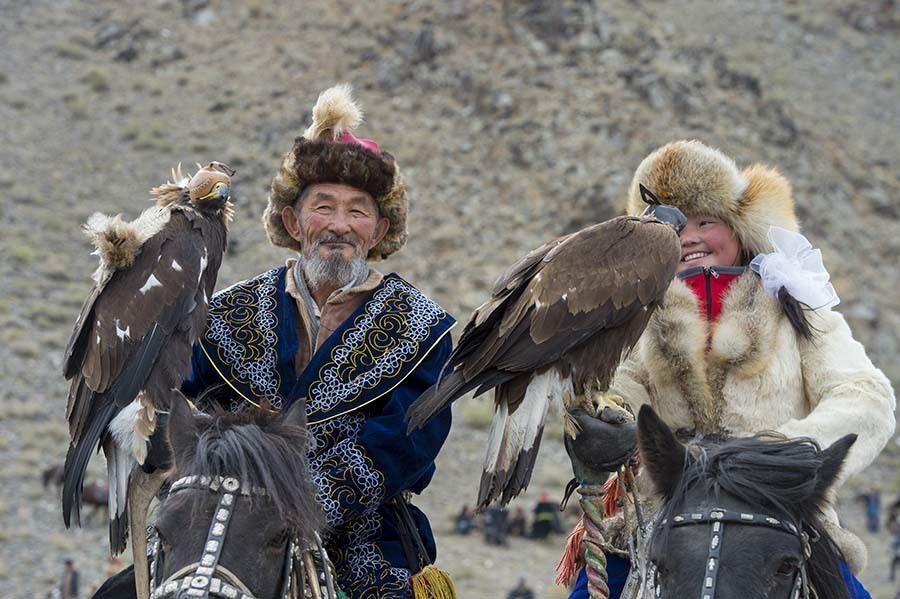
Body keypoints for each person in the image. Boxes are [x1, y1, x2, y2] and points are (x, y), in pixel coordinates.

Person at [94, 85, 456, 599]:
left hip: (360, 540)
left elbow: (408, 443)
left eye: (357, 211)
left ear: (378, 231)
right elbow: (180, 405)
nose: (339, 225)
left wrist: (295, 499)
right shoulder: (224, 311)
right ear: (292, 221)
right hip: (221, 523)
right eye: (323, 206)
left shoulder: (422, 327)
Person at [565, 140, 896, 599]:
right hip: (662, 509)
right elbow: (619, 391)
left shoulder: (795, 306)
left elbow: (865, 396)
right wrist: (611, 425)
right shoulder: (635, 317)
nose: (689, 235)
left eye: (706, 221)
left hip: (778, 510)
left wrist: (788, 456)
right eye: (672, 224)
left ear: (741, 228)